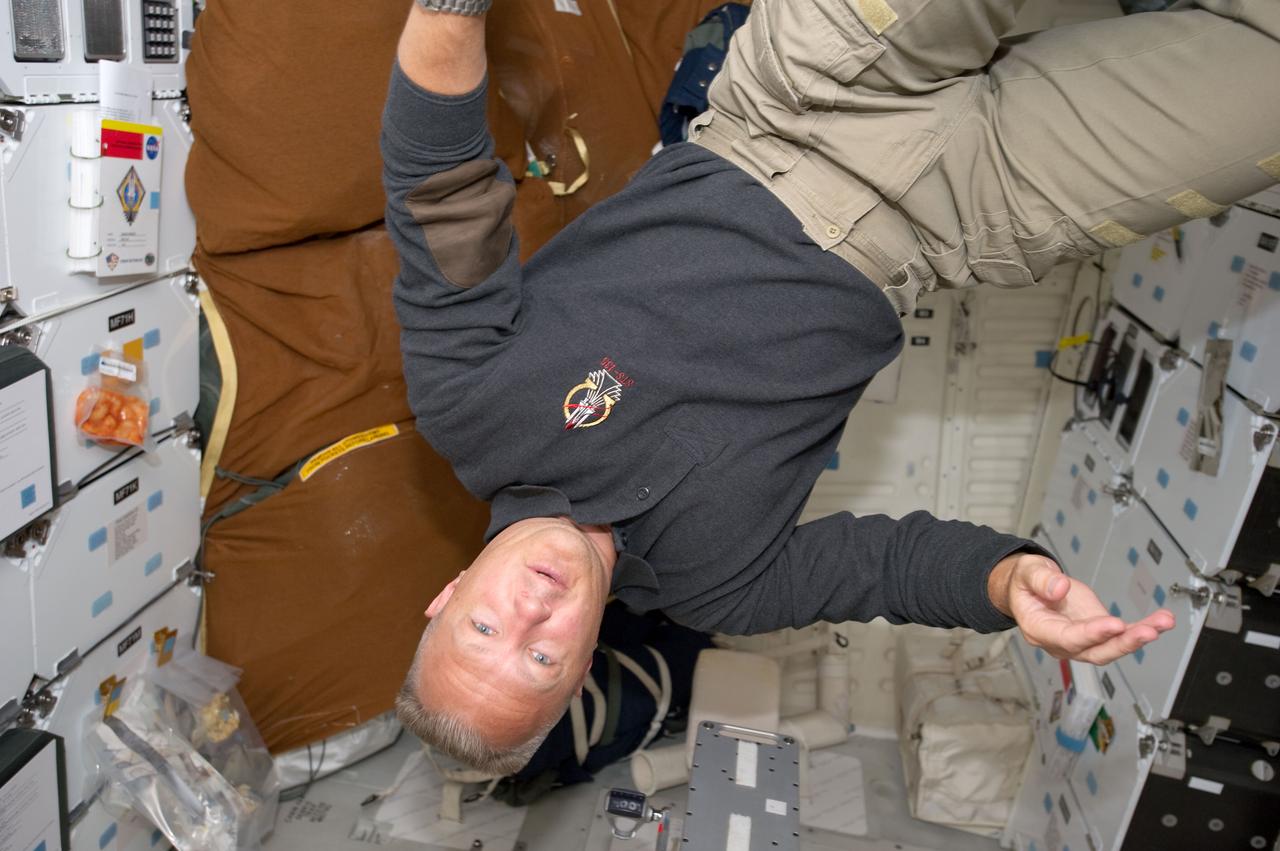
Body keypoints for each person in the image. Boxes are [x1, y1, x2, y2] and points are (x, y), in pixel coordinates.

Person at [383, 0, 1278, 773]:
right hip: (958, 221)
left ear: (447, 595)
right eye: (539, 656)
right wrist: (1008, 584)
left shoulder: (469, 401)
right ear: (581, 667)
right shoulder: (720, 590)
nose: (530, 611)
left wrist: (448, 9)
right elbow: (885, 566)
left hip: (804, 107)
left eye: (485, 630)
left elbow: (443, 191)